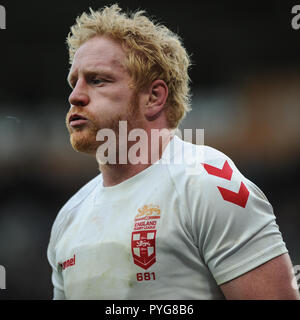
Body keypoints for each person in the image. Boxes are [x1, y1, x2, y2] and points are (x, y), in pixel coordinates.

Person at [47, 4, 300, 300]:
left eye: (97, 80)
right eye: (73, 81)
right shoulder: (69, 217)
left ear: (154, 97)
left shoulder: (207, 184)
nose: (74, 95)